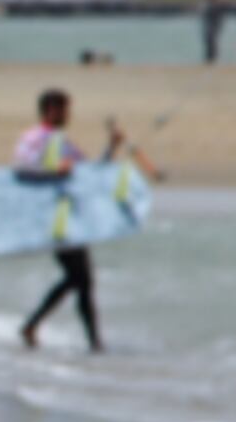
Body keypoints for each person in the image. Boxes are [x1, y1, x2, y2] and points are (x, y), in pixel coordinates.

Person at [12, 88, 163, 353]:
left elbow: (91, 171)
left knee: (81, 279)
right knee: (79, 277)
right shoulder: (33, 138)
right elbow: (22, 167)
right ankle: (56, 333)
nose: (69, 115)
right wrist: (53, 167)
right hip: (50, 218)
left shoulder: (62, 141)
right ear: (51, 110)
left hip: (69, 218)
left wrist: (112, 146)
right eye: (65, 109)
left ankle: (85, 340)